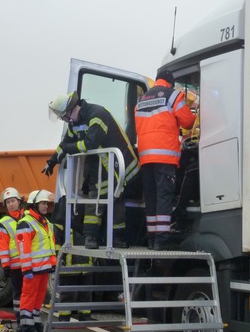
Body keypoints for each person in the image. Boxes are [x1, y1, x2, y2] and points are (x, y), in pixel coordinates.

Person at [43, 90, 140, 249]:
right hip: (103, 165)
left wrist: (68, 148)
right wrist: (52, 160)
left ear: (74, 109)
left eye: (66, 117)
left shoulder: (97, 115)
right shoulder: (75, 122)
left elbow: (89, 144)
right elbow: (66, 142)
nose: (67, 121)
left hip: (120, 165)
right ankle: (91, 237)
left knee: (114, 199)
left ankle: (115, 239)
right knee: (96, 198)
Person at [135, 70, 196, 250]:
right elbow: (188, 122)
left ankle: (152, 238)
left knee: (152, 197)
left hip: (146, 156)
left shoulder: (142, 100)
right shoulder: (174, 96)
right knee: (164, 195)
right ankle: (162, 239)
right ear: (170, 82)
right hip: (165, 155)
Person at [17, 189, 56, 332]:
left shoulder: (45, 222)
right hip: (32, 269)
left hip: (44, 268)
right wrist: (26, 268)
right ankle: (26, 325)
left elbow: (50, 245)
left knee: (39, 297)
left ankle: (35, 321)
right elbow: (24, 248)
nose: (46, 206)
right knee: (28, 296)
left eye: (46, 203)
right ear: (34, 205)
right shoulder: (26, 223)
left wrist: (52, 263)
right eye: (43, 203)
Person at [0, 187, 25, 328]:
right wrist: (6, 266)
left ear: (19, 201)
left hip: (30, 264)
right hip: (16, 266)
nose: (11, 204)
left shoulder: (28, 217)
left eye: (13, 201)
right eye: (8, 202)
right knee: (18, 295)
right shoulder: (3, 223)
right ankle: (20, 321)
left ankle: (29, 320)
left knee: (30, 294)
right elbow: (3, 247)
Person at [53, 223, 94, 322]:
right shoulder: (61, 222)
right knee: (67, 294)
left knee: (85, 294)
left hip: (86, 266)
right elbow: (56, 243)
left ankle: (85, 316)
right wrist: (59, 258)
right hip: (68, 266)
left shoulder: (85, 222)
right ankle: (64, 317)